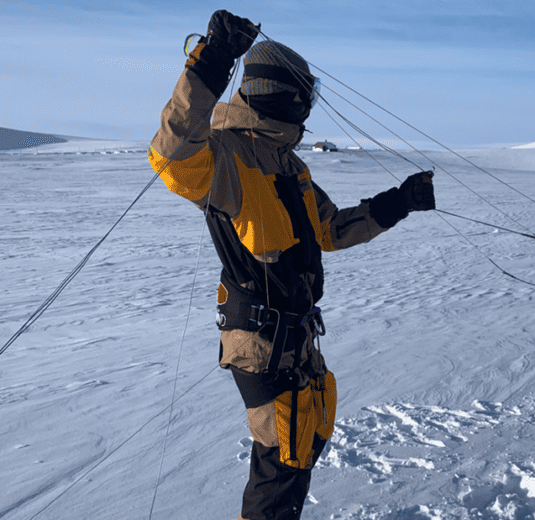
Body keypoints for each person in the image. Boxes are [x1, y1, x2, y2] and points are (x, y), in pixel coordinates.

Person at [148, 11, 436, 520]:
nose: (310, 107)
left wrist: (398, 202)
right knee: (284, 455)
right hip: (258, 339)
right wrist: (211, 61)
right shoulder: (228, 156)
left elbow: (328, 230)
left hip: (295, 334)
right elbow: (172, 157)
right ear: (289, 97)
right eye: (307, 96)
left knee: (313, 424)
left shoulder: (288, 163)